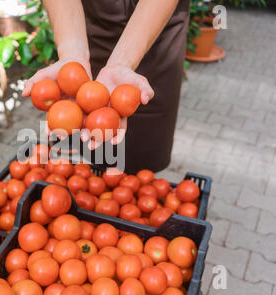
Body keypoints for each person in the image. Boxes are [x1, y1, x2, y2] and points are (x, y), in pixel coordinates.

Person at [22, 0, 190, 174]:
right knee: (94, 157)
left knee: (141, 154)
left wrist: (122, 62)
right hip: (90, 26)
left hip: (155, 24)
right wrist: (72, 53)